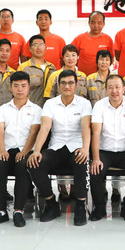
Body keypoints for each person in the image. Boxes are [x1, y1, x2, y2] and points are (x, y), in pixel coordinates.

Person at [27, 70, 92, 224]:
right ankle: (51, 203)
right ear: (58, 85)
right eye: (63, 83)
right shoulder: (50, 104)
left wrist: (85, 148)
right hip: (56, 147)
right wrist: (36, 151)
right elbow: (45, 127)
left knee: (81, 160)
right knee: (35, 163)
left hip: (76, 146)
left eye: (70, 83)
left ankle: (80, 204)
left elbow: (86, 127)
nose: (67, 86)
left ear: (76, 85)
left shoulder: (84, 103)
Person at [89, 74, 125, 222]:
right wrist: (96, 158)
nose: (114, 91)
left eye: (117, 87)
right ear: (106, 89)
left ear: (123, 88)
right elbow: (96, 133)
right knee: (95, 170)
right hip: (104, 151)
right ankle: (99, 208)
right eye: (111, 87)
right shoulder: (99, 105)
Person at [0, 72, 42, 228]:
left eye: (23, 86)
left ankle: (18, 211)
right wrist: (1, 150)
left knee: (22, 165)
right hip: (7, 148)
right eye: (16, 86)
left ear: (29, 88)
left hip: (27, 150)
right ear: (10, 88)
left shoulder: (36, 109)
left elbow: (34, 133)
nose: (20, 89)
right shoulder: (2, 109)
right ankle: (1, 211)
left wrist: (24, 152)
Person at [71, 11, 114, 76]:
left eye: (99, 23)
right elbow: (70, 55)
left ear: (103, 24)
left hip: (101, 77)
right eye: (93, 23)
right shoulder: (80, 38)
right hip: (83, 77)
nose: (96, 25)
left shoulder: (108, 39)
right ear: (89, 23)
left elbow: (111, 58)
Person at [18, 34, 56, 106]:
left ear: (45, 48)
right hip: (30, 108)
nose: (39, 48)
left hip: (49, 108)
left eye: (41, 45)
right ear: (30, 49)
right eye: (35, 45)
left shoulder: (51, 67)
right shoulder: (24, 68)